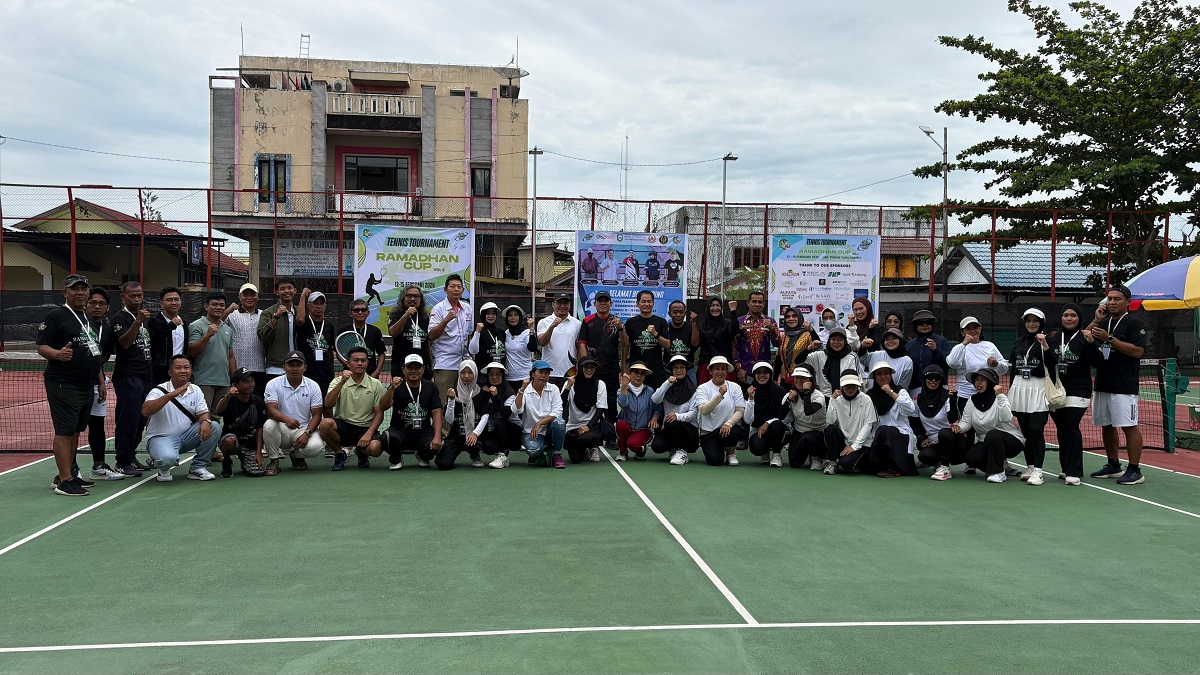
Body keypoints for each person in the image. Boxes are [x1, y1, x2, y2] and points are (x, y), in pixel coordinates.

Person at [37, 274, 109, 496]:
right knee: (64, 431)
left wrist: (100, 380)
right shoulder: (56, 315)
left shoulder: (86, 319)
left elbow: (93, 353)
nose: (80, 292)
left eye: (83, 289)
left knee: (76, 431)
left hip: (86, 384)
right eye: (74, 288)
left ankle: (67, 474)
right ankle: (65, 481)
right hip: (63, 383)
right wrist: (57, 354)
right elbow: (41, 346)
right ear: (65, 292)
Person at [1086, 285, 1148, 485]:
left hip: (1124, 385)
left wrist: (1110, 339)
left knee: (1129, 426)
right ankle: (1113, 464)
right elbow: (1081, 337)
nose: (1112, 302)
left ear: (1128, 302)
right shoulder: (1103, 323)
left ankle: (1135, 469)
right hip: (1103, 382)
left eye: (1117, 299)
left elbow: (1138, 351)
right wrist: (1096, 319)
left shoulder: (1134, 324)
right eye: (1109, 299)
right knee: (1107, 424)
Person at [142, 354, 223, 482]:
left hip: (186, 437)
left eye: (186, 367)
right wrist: (169, 396)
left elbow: (203, 413)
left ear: (191, 371)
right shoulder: (159, 390)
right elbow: (146, 411)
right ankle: (163, 466)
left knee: (214, 427)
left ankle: (197, 468)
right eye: (178, 368)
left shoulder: (195, 389)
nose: (183, 371)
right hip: (160, 438)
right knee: (167, 459)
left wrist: (206, 421)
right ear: (170, 372)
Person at [1007, 308, 1057, 486]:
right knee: (1026, 431)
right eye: (1028, 320)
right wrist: (1011, 389)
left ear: (1041, 323)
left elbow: (1053, 364)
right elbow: (1013, 367)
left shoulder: (1048, 340)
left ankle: (1039, 471)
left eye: (1035, 320)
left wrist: (1045, 346)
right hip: (1021, 387)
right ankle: (1030, 466)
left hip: (1038, 388)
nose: (1031, 323)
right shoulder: (1019, 342)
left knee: (1036, 429)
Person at [950, 368, 1025, 484]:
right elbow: (966, 422)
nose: (978, 383)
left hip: (1012, 441)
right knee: (971, 457)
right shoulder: (972, 400)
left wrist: (999, 396)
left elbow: (1006, 418)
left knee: (993, 435)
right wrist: (959, 427)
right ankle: (999, 465)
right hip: (987, 442)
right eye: (977, 380)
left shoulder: (1000, 398)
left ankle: (998, 472)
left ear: (990, 383)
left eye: (982, 380)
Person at [1050, 303, 1096, 486]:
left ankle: (1074, 471)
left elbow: (1096, 361)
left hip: (1079, 389)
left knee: (1070, 425)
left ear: (1079, 318)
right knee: (1061, 428)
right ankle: (1065, 467)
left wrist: (1092, 343)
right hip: (1057, 390)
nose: (1069, 318)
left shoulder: (1085, 337)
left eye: (1073, 315)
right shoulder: (1053, 337)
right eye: (1066, 315)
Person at [320, 346, 386, 471]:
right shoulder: (337, 381)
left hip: (365, 428)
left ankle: (362, 451)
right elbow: (328, 403)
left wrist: (369, 434)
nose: (360, 363)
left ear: (367, 363)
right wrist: (342, 383)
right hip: (343, 426)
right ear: (348, 363)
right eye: (356, 360)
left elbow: (379, 414)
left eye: (363, 360)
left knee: (376, 449)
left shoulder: (376, 384)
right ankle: (339, 453)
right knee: (325, 424)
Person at [262, 350, 326, 476]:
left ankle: (297, 455)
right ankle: (274, 461)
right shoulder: (273, 384)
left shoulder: (313, 385)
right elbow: (270, 409)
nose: (295, 368)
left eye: (298, 365)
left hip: (303, 430)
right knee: (269, 425)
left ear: (305, 367)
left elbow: (317, 414)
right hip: (282, 429)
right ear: (284, 367)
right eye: (291, 365)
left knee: (316, 447)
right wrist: (287, 420)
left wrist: (307, 434)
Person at [82, 288, 120, 481]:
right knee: (73, 427)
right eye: (92, 303)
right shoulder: (78, 324)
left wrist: (99, 375)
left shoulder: (107, 326)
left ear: (107, 307)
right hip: (77, 383)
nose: (96, 306)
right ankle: (71, 469)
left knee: (97, 425)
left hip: (98, 382)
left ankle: (98, 466)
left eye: (101, 303)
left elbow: (103, 354)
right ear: (86, 304)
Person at [380, 354, 443, 470]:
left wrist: (438, 436)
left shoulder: (431, 387)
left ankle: (423, 456)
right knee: (387, 437)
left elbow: (437, 412)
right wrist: (392, 389)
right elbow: (383, 406)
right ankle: (396, 459)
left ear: (423, 369)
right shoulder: (397, 386)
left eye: (417, 368)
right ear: (403, 370)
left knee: (437, 443)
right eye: (410, 368)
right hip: (400, 431)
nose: (413, 371)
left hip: (423, 431)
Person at [577, 290, 623, 433]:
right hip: (593, 369)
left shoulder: (616, 321)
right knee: (589, 399)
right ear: (595, 303)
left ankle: (609, 434)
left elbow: (626, 344)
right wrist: (586, 364)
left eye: (606, 301)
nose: (603, 303)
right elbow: (582, 344)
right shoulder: (587, 321)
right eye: (600, 301)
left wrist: (621, 328)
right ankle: (589, 429)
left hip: (611, 369)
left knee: (610, 402)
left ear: (611, 303)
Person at [946, 316, 1009, 418]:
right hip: (965, 395)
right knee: (967, 427)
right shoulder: (959, 348)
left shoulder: (990, 346)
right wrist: (964, 344)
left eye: (975, 327)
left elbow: (1004, 369)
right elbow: (952, 363)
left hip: (988, 395)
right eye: (968, 329)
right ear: (962, 332)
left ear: (980, 329)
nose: (972, 331)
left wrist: (996, 364)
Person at [864, 361, 918, 478]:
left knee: (885, 430)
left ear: (890, 375)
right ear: (874, 377)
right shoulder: (869, 395)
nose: (883, 376)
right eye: (879, 374)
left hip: (899, 435)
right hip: (877, 436)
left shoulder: (900, 391)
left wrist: (891, 392)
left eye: (886, 373)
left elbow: (910, 409)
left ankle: (893, 467)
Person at [911, 365, 965, 481]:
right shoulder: (918, 399)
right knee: (925, 456)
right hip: (932, 443)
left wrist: (953, 400)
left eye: (937, 378)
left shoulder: (948, 397)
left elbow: (952, 419)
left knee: (944, 433)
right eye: (930, 377)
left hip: (951, 441)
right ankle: (938, 463)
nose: (933, 381)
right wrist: (922, 438)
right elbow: (914, 423)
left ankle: (945, 467)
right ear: (924, 379)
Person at [692, 356, 747, 466]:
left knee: (734, 432)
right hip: (708, 432)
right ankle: (719, 449)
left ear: (727, 371)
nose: (720, 372)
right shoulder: (702, 388)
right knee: (715, 460)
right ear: (711, 371)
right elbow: (704, 410)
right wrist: (720, 395)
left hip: (728, 429)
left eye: (723, 369)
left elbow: (740, 410)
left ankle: (731, 453)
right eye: (717, 368)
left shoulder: (735, 387)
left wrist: (728, 424)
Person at [428, 274, 473, 405]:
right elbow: (431, 336)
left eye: (459, 287)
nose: (456, 289)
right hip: (445, 364)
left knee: (463, 402)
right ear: (445, 290)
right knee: (444, 402)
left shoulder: (467, 308)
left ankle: (459, 427)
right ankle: (442, 427)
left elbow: (469, 335)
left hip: (464, 363)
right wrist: (446, 319)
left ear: (463, 290)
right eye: (452, 286)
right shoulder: (439, 308)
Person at [213, 368, 267, 478]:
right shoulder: (229, 399)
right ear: (235, 385)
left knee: (257, 471)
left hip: (249, 443)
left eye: (252, 381)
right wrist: (228, 395)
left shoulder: (258, 401)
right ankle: (227, 461)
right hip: (232, 440)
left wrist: (258, 452)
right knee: (229, 440)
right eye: (246, 382)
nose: (250, 384)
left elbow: (259, 428)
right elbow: (218, 410)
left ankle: (245, 461)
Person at [513, 360, 566, 468]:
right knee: (533, 450)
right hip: (531, 432)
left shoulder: (553, 389)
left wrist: (539, 423)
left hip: (550, 427)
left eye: (546, 373)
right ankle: (544, 450)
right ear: (533, 374)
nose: (543, 376)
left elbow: (558, 411)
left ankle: (557, 454)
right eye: (540, 372)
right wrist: (522, 390)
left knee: (560, 422)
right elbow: (517, 410)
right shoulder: (525, 390)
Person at [188, 292, 236, 411]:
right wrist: (207, 335)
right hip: (204, 380)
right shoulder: (196, 326)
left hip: (224, 381)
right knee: (202, 415)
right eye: (214, 304)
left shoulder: (227, 329)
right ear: (206, 306)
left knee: (218, 416)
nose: (218, 307)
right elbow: (193, 352)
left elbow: (230, 356)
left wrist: (234, 379)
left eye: (221, 305)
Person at [651, 355, 699, 465]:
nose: (679, 370)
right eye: (676, 368)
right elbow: (655, 399)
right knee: (657, 446)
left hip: (688, 431)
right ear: (672, 370)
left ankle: (682, 451)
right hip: (669, 428)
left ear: (686, 369)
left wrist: (678, 416)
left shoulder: (693, 389)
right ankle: (674, 449)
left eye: (682, 367)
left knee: (673, 423)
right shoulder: (667, 385)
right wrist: (667, 383)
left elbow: (693, 414)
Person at [440, 360, 488, 469]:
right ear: (459, 374)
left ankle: (475, 454)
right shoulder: (453, 392)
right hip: (457, 434)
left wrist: (475, 433)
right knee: (443, 464)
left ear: (475, 373)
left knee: (476, 444)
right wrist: (451, 401)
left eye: (470, 372)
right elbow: (449, 420)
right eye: (463, 372)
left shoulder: (482, 392)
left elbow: (485, 416)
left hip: (474, 435)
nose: (466, 376)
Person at [294, 289, 338, 406]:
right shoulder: (305, 322)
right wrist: (303, 296)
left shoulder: (329, 325)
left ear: (325, 306)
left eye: (321, 303)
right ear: (309, 305)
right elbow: (299, 319)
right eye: (315, 303)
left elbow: (330, 350)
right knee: (307, 406)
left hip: (325, 373)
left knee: (327, 407)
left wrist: (332, 372)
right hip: (308, 373)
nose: (318, 306)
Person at [560, 356, 608, 463]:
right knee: (575, 459)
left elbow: (600, 409)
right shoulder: (570, 384)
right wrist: (567, 388)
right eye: (586, 367)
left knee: (585, 438)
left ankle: (593, 446)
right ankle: (584, 448)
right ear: (580, 368)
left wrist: (588, 426)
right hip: (573, 427)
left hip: (592, 426)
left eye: (592, 367)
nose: (589, 370)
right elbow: (561, 404)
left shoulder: (600, 384)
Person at [223, 283, 266, 398]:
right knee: (239, 401)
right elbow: (217, 323)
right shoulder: (232, 315)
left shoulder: (264, 314)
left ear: (258, 297)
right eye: (245, 295)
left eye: (252, 295)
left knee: (258, 402)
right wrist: (228, 309)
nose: (249, 298)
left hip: (260, 366)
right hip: (239, 368)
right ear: (239, 297)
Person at [745, 362, 790, 467]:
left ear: (770, 374)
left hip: (779, 429)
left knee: (776, 425)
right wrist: (751, 399)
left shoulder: (780, 391)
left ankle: (776, 453)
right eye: (758, 373)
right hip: (757, 430)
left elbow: (786, 417)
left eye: (765, 372)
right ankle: (764, 452)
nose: (762, 375)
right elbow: (747, 420)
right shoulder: (750, 392)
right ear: (754, 375)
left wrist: (768, 422)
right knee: (757, 447)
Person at [732, 291, 780, 388]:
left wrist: (772, 330)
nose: (757, 304)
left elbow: (778, 344)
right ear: (748, 302)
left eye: (760, 302)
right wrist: (739, 368)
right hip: (745, 371)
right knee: (746, 397)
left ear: (763, 304)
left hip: (764, 371)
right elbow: (734, 346)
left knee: (763, 398)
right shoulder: (739, 321)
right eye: (754, 301)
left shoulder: (770, 321)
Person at [624, 290, 670, 387]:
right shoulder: (630, 322)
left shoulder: (661, 322)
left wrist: (655, 334)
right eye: (643, 301)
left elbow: (667, 345)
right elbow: (625, 345)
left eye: (649, 301)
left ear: (653, 303)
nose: (646, 304)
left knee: (656, 400)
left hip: (656, 370)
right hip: (636, 370)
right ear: (637, 304)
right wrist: (624, 367)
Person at [615, 362, 660, 461]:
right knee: (620, 424)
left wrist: (654, 418)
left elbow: (657, 408)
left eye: (642, 373)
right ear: (630, 374)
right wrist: (624, 386)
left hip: (643, 429)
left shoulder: (650, 391)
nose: (639, 376)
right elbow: (622, 404)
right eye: (636, 372)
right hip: (628, 427)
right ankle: (623, 452)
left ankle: (641, 450)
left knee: (632, 444)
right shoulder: (621, 390)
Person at [785, 365, 827, 470]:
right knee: (794, 463)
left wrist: (807, 392)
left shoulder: (818, 396)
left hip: (818, 433)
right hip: (800, 430)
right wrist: (788, 400)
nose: (799, 380)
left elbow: (808, 411)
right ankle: (808, 453)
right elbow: (780, 415)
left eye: (803, 378)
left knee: (808, 438)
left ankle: (816, 456)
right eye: (797, 377)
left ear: (810, 380)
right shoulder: (791, 394)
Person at [479, 362, 520, 469]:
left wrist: (496, 396)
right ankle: (498, 452)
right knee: (488, 447)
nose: (494, 377)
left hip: (513, 431)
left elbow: (506, 414)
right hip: (494, 430)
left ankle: (503, 454)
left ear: (503, 376)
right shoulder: (484, 390)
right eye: (491, 374)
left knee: (499, 421)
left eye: (498, 374)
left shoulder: (509, 392)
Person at [538, 293, 582, 388]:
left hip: (570, 373)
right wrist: (552, 327)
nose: (562, 306)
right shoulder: (544, 322)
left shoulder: (577, 324)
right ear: (553, 304)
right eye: (559, 303)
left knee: (567, 401)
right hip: (548, 372)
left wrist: (579, 368)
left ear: (569, 305)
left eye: (565, 303)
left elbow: (579, 347)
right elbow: (542, 342)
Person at [257, 280, 299, 381]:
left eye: (289, 288)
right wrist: (276, 316)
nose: (286, 291)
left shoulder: (299, 313)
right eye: (282, 289)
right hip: (276, 369)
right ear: (277, 292)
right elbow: (262, 335)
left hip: (297, 367)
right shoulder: (268, 313)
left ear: (295, 290)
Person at [904, 309, 950, 398]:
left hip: (939, 387)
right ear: (915, 326)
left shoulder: (942, 341)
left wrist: (936, 350)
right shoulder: (909, 346)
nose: (925, 325)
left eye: (928, 322)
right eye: (921, 323)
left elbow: (948, 363)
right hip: (916, 388)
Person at [388, 285, 431, 378]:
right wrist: (406, 315)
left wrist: (430, 367)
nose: (412, 299)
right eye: (409, 296)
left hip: (422, 367)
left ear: (421, 299)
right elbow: (393, 333)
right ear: (403, 298)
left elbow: (429, 343)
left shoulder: (425, 317)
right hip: (401, 366)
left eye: (416, 296)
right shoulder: (396, 314)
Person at [148, 286, 188, 384]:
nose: (174, 303)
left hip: (181, 372)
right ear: (161, 303)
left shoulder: (184, 323)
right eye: (169, 300)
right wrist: (170, 326)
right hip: (160, 373)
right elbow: (154, 342)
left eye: (176, 299)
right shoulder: (153, 322)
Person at [805, 327, 861, 396]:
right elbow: (799, 360)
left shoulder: (852, 357)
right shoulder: (819, 355)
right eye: (833, 339)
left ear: (845, 341)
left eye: (840, 339)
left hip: (845, 398)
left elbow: (857, 380)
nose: (836, 342)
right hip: (824, 399)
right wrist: (809, 348)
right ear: (829, 340)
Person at [341, 299, 386, 379]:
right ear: (350, 313)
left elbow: (381, 353)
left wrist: (377, 372)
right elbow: (338, 353)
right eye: (356, 310)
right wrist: (350, 366)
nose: (360, 312)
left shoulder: (375, 331)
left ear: (368, 313)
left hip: (371, 374)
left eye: (363, 310)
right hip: (350, 374)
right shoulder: (344, 330)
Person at [698, 297, 736, 385]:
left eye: (718, 305)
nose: (715, 308)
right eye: (712, 305)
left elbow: (735, 332)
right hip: (706, 366)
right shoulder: (702, 325)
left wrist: (733, 311)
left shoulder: (727, 324)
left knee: (727, 395)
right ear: (708, 308)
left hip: (724, 365)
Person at [774, 307, 814, 386]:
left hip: (802, 378)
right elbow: (779, 359)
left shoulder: (807, 335)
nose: (791, 319)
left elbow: (817, 345)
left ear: (799, 317)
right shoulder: (784, 336)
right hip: (785, 378)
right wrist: (775, 378)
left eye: (794, 316)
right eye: (787, 317)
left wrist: (811, 330)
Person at [501, 305, 538, 391]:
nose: (513, 318)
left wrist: (531, 330)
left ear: (520, 317)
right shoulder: (506, 333)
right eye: (510, 315)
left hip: (524, 377)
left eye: (516, 315)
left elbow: (532, 348)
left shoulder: (527, 332)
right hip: (508, 378)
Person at [866, 328, 914, 392]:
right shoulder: (876, 354)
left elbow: (903, 387)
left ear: (900, 340)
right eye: (887, 339)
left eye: (894, 338)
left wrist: (891, 394)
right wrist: (863, 347)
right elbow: (862, 359)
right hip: (873, 398)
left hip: (894, 398)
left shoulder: (907, 361)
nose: (890, 341)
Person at [663, 300, 699, 371]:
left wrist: (694, 323)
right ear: (669, 314)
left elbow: (695, 344)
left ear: (685, 314)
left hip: (688, 369)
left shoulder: (691, 327)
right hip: (669, 369)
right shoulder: (665, 328)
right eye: (675, 312)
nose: (678, 315)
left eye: (681, 312)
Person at [469, 302, 507, 367]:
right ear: (483, 315)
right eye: (488, 313)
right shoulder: (479, 331)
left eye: (493, 313)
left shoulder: (501, 332)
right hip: (483, 372)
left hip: (499, 372)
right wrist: (477, 332)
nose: (491, 316)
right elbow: (473, 351)